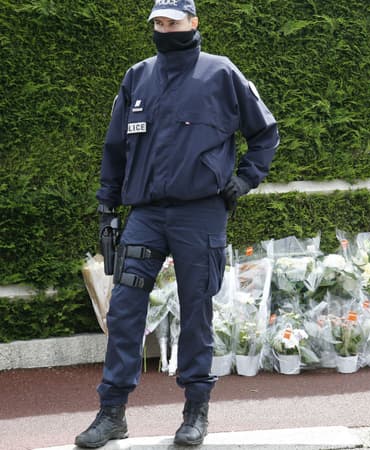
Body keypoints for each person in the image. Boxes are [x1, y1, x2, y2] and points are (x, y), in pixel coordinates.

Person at [75, 0, 279, 447]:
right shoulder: (138, 77)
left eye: (171, 21)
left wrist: (244, 179)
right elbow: (115, 149)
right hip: (145, 215)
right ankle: (112, 413)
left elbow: (265, 132)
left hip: (200, 213)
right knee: (125, 311)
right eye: (157, 23)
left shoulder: (221, 74)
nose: (164, 29)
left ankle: (195, 413)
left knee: (196, 313)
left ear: (193, 22)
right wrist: (107, 209)